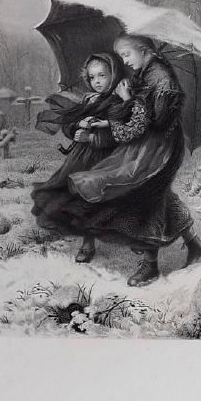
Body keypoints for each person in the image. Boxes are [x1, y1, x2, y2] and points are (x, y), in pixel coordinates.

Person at [53, 34, 201, 286]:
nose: (124, 60)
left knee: (145, 196)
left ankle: (150, 265)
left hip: (161, 147)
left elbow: (155, 123)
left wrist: (129, 100)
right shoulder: (147, 73)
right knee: (160, 196)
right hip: (148, 146)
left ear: (145, 50)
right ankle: (195, 244)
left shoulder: (162, 79)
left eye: (127, 54)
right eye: (122, 56)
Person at [31, 53, 133, 262]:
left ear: (114, 74)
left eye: (102, 75)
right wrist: (77, 128)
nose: (97, 81)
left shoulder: (118, 101)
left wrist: (93, 137)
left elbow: (120, 135)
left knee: (94, 199)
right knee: (72, 196)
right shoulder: (88, 98)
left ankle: (101, 239)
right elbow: (69, 124)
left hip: (105, 158)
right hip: (79, 157)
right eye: (92, 77)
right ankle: (86, 241)